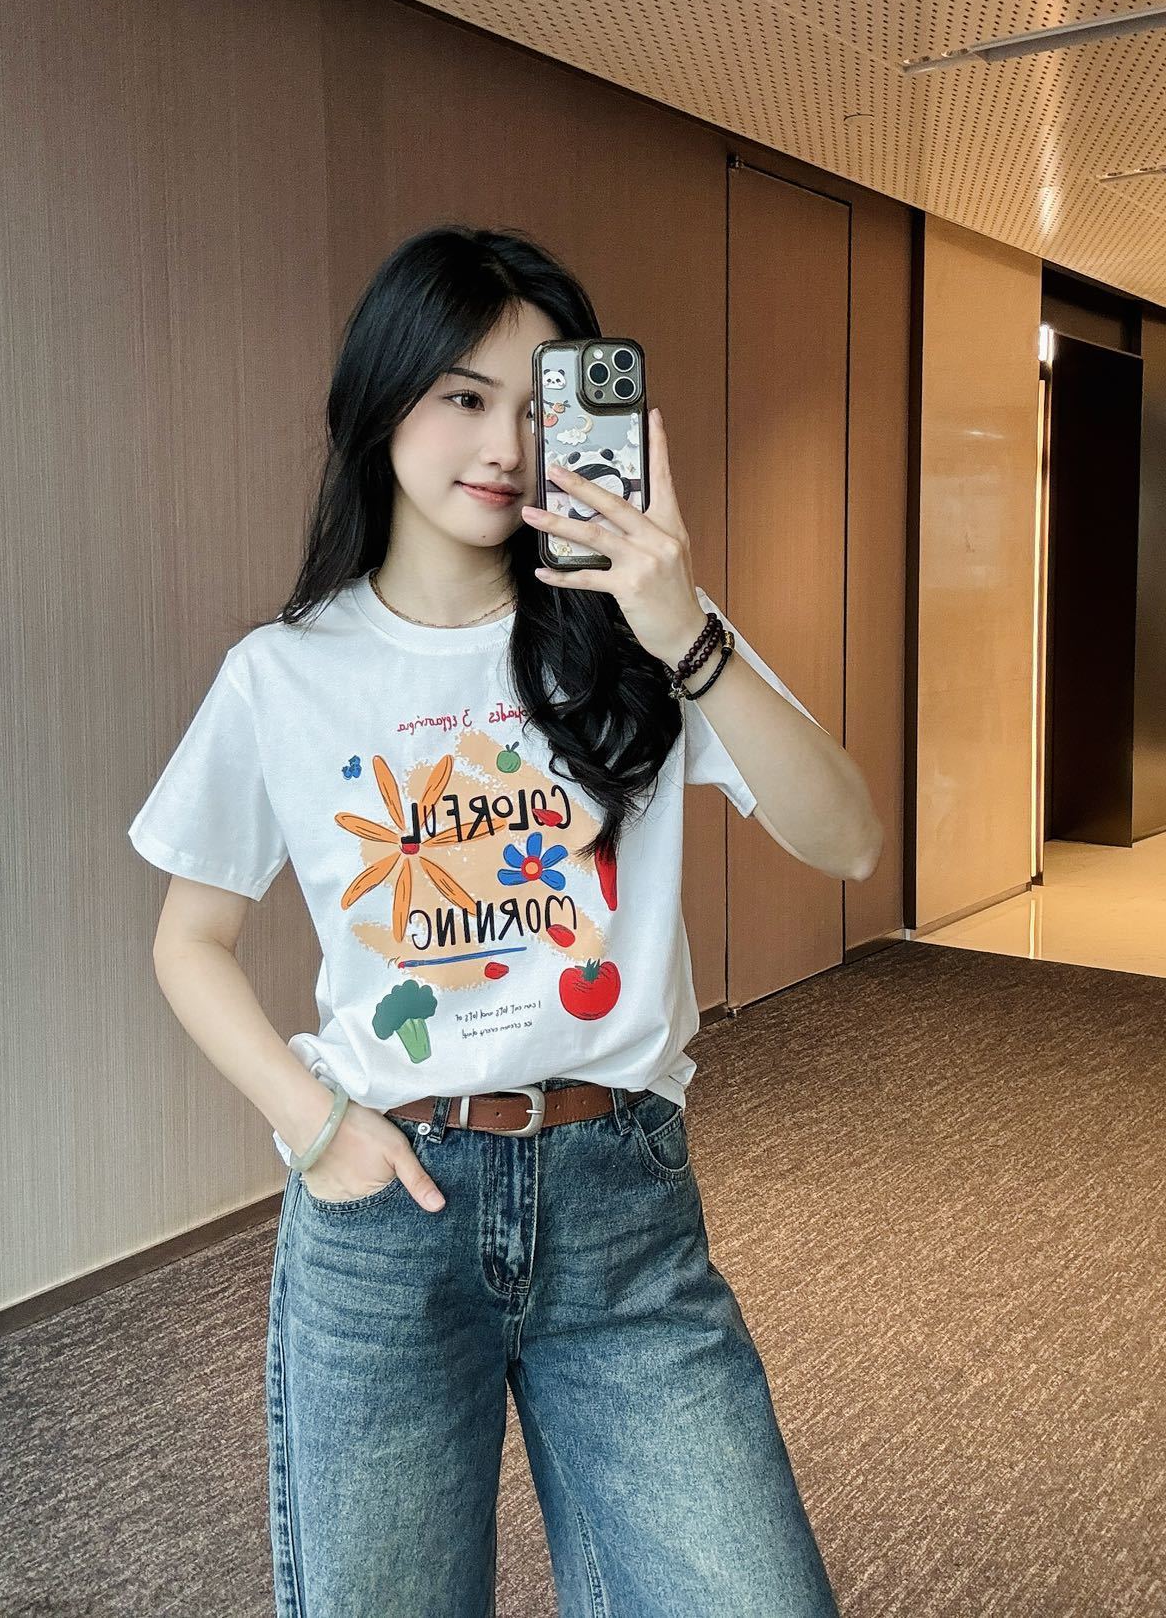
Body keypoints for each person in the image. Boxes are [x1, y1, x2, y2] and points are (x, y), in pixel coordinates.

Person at [128, 224, 843, 1617]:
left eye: (539, 405)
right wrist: (318, 1127)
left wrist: (685, 629)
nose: (507, 446)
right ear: (384, 398)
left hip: (619, 1200)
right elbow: (186, 940)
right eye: (465, 394)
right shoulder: (283, 674)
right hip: (389, 1215)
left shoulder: (641, 633)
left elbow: (846, 835)